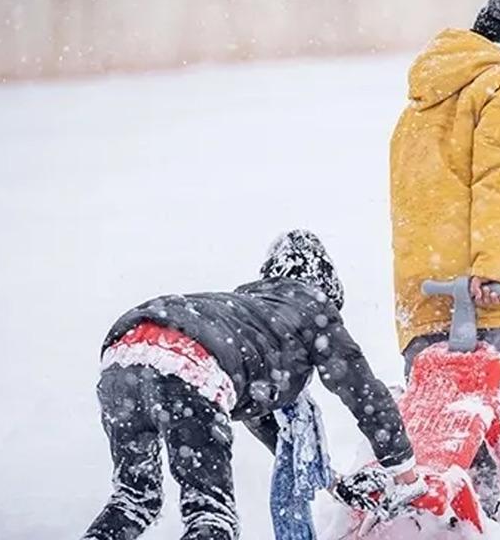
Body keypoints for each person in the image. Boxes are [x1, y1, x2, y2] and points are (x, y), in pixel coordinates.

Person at [83, 230, 423, 540]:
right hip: (189, 363)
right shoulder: (311, 307)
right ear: (326, 287)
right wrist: (407, 477)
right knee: (210, 516)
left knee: (133, 500)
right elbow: (363, 394)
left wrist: (333, 483)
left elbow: (267, 423)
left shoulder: (246, 316)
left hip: (123, 356)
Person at [389, 0, 500, 515]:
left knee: (439, 422)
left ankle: (438, 513)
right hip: (483, 287)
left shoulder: (421, 102)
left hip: (420, 293)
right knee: (489, 408)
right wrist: (494, 268)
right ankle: (493, 512)